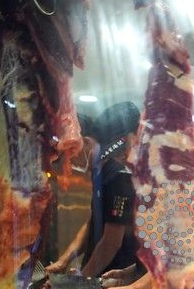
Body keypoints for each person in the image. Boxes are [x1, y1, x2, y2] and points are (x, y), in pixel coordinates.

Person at [47, 102, 140, 277]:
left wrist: (82, 280)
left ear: (86, 142)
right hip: (97, 274)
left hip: (112, 276)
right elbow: (93, 221)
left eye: (70, 151)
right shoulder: (100, 172)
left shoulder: (118, 175)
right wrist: (64, 260)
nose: (69, 160)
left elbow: (112, 242)